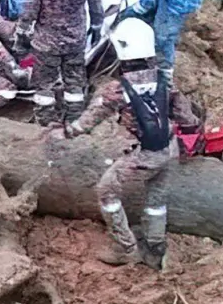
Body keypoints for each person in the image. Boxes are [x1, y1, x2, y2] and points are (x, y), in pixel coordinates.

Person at [64, 20, 198, 269]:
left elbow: (88, 121)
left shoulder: (117, 89)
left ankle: (125, 248)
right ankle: (155, 247)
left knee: (106, 191)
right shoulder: (164, 80)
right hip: (169, 150)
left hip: (143, 156)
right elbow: (187, 118)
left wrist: (68, 132)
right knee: (156, 199)